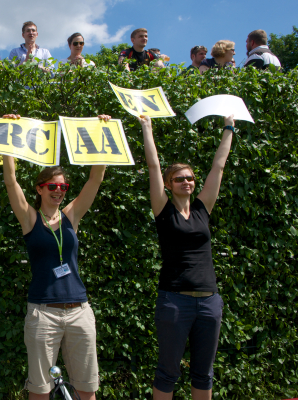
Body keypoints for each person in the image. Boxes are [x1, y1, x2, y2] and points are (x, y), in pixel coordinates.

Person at [1, 113, 111, 400]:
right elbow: (11, 181)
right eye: (53, 186)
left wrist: (102, 132)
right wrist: (9, 135)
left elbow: (96, 178)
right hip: (43, 313)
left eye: (63, 187)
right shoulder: (29, 218)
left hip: (79, 311)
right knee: (40, 390)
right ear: (40, 189)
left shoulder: (71, 215)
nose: (59, 191)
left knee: (87, 389)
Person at [138, 113, 236, 400]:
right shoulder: (163, 210)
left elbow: (218, 166)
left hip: (209, 302)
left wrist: (229, 128)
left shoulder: (203, 209)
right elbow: (153, 166)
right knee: (168, 372)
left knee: (204, 373)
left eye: (190, 178)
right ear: (168, 184)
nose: (186, 182)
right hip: (174, 301)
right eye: (179, 178)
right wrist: (147, 127)